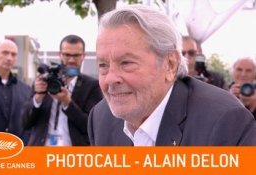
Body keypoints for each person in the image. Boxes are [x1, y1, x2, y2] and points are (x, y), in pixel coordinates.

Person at [88, 4, 256, 146]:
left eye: (126, 63)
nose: (110, 78)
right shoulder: (100, 118)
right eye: (103, 65)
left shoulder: (225, 121)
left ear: (170, 64)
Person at [21, 34, 103, 146]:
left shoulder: (91, 86)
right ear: (59, 54)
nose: (71, 60)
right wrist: (38, 98)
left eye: (76, 55)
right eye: (67, 55)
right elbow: (24, 123)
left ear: (83, 56)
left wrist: (67, 103)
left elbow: (92, 127)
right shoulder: (44, 80)